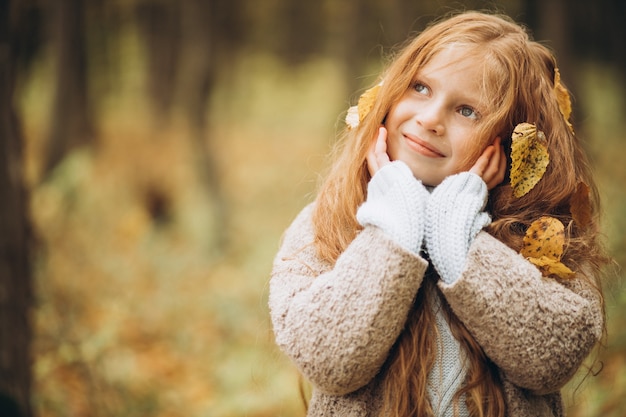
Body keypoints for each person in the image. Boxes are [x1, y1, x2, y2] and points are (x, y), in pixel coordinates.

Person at [269, 10, 608, 417]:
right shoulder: (325, 222)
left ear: (512, 142)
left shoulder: (543, 237)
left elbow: (548, 360)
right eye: (421, 88)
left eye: (467, 111)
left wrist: (458, 239)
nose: (429, 120)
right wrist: (392, 229)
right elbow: (330, 360)